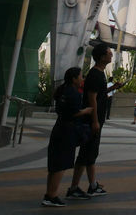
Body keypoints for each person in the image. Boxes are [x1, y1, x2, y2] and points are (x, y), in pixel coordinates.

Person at [67, 42, 119, 200]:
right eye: (109, 53)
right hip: (91, 121)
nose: (111, 55)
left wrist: (112, 88)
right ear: (102, 57)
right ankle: (74, 188)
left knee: (91, 153)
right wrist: (95, 121)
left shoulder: (99, 74)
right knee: (86, 153)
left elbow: (99, 94)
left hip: (95, 120)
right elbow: (92, 99)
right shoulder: (95, 74)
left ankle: (92, 185)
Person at [43, 67, 93, 207]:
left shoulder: (62, 91)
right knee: (61, 164)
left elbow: (62, 111)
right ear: (74, 79)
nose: (82, 79)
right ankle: (51, 196)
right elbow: (72, 113)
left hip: (59, 128)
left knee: (55, 164)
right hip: (67, 130)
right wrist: (86, 111)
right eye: (81, 76)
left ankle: (49, 194)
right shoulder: (74, 93)